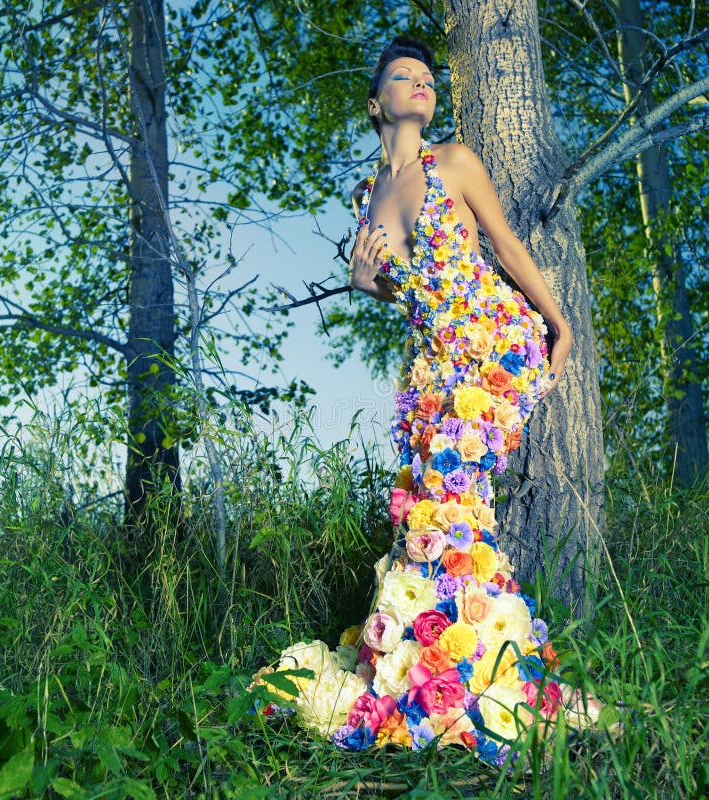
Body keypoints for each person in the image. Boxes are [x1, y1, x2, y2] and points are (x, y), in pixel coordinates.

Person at [253, 36, 597, 767]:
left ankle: (470, 677)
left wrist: (559, 319)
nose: (421, 85)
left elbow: (504, 245)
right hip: (435, 373)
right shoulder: (366, 198)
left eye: (428, 79)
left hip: (495, 347)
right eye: (403, 77)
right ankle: (454, 667)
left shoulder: (455, 162)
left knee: (451, 500)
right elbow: (399, 289)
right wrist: (360, 282)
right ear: (377, 104)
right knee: (439, 512)